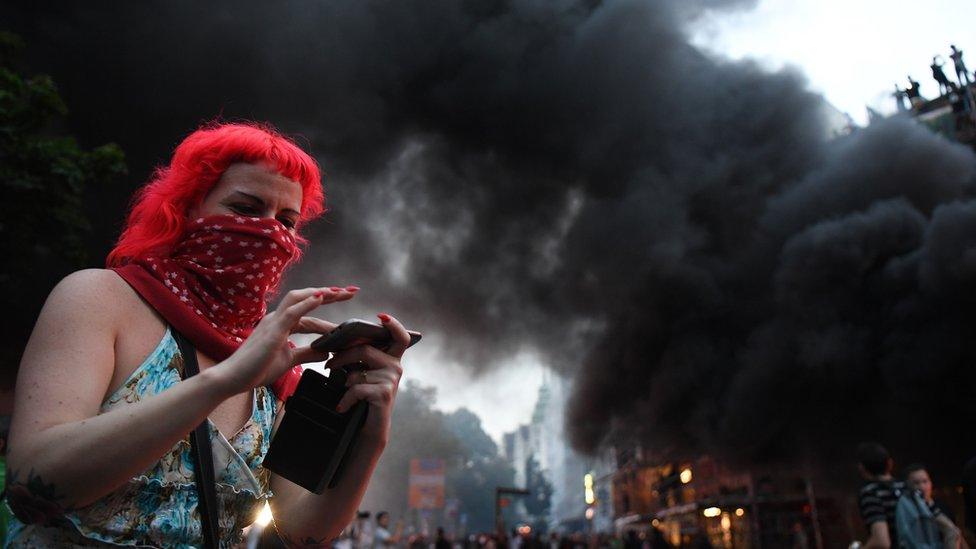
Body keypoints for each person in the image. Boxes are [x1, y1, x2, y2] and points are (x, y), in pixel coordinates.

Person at [3, 122, 414, 547]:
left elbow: (304, 531)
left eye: (287, 221)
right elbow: (32, 486)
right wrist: (225, 380)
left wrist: (372, 433)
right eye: (246, 209)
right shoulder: (100, 298)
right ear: (186, 208)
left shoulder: (272, 358)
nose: (269, 232)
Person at [901, 464, 965, 548]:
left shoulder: (942, 508)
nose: (922, 487)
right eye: (916, 483)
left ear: (931, 483)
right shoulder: (906, 511)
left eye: (925, 481)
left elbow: (956, 534)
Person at [857, 442, 905, 548]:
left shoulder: (871, 493)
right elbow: (949, 528)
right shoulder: (908, 488)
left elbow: (881, 542)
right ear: (890, 463)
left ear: (862, 468)